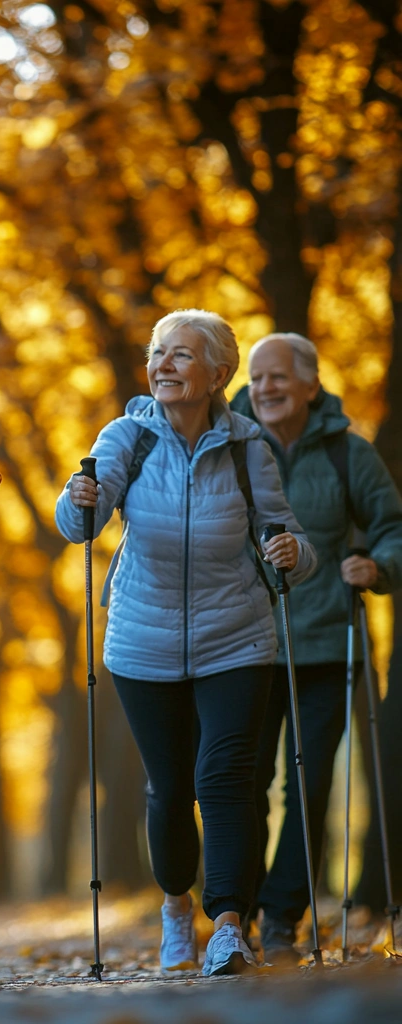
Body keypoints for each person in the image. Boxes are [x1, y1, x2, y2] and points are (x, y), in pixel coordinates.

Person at [56, 309, 316, 976]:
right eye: (158, 353)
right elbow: (80, 522)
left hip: (236, 636)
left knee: (224, 779)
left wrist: (294, 553)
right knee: (170, 789)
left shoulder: (247, 445)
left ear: (218, 375)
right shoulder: (127, 436)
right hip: (143, 640)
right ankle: (177, 907)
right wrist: (77, 498)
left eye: (181, 354)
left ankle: (228, 923)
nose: (164, 364)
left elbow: (282, 532)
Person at [230, 332, 402, 962]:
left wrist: (377, 566)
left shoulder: (347, 455)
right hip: (240, 645)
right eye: (257, 376)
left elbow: (392, 529)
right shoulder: (225, 444)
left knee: (307, 784)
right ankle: (233, 915)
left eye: (279, 376)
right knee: (242, 782)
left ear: (310, 383)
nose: (266, 388)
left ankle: (282, 918)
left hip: (327, 645)